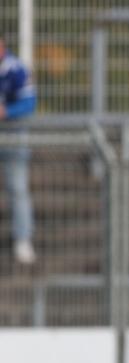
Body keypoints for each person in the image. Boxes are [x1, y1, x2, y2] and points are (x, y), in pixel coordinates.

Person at [0, 34, 37, 264]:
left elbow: (29, 102)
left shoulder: (16, 69)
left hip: (12, 135)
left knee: (18, 187)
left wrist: (6, 112)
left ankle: (23, 239)